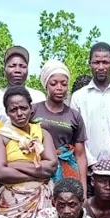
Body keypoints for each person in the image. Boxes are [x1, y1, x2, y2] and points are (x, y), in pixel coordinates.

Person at [0, 86, 58, 218]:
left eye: (23, 108)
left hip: (41, 199)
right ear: (7, 112)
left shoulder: (41, 133)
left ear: (31, 108)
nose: (19, 113)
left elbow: (52, 166)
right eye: (13, 110)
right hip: (12, 203)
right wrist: (39, 174)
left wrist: (15, 165)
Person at [31, 59, 88, 189]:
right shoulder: (33, 111)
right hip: (39, 169)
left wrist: (83, 188)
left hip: (67, 171)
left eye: (64, 84)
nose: (59, 88)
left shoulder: (74, 116)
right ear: (46, 85)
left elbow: (80, 155)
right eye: (53, 83)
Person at [69, 42, 110, 167]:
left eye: (105, 62)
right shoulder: (78, 97)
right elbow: (75, 135)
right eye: (96, 62)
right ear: (89, 63)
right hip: (88, 167)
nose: (101, 67)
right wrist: (91, 163)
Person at [0, 45, 47, 124]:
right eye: (12, 66)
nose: (17, 70)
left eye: (22, 66)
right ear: (5, 69)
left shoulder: (39, 97)